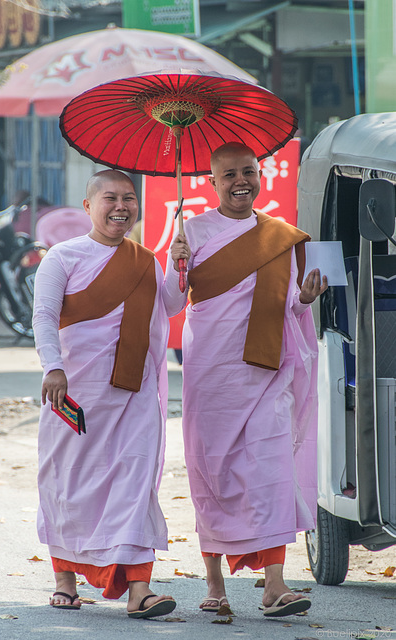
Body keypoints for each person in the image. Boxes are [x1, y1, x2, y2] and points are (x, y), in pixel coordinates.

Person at [164, 142, 327, 618]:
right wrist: (175, 264)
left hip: (267, 372)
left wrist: (306, 298)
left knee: (270, 470)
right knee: (211, 471)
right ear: (211, 182)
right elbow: (172, 306)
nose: (241, 181)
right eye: (230, 174)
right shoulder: (190, 232)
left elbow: (291, 309)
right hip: (210, 373)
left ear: (262, 176)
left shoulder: (283, 237)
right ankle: (214, 582)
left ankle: (275, 585)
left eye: (249, 172)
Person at [32, 169, 176, 619]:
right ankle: (65, 580)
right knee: (68, 481)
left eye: (129, 198)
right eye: (110, 198)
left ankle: (139, 589)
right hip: (74, 392)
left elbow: (168, 306)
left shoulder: (146, 259)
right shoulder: (62, 256)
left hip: (133, 392)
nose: (121, 207)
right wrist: (52, 368)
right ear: (88, 206)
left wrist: (180, 266)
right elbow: (43, 315)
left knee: (136, 483)